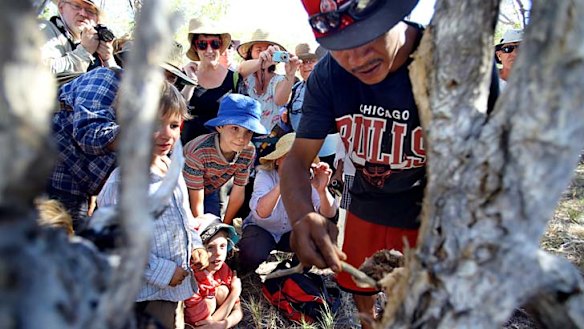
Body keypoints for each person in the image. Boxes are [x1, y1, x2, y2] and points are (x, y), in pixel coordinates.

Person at [97, 81, 208, 329]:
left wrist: (196, 246)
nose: (166, 134)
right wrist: (162, 271)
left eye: (173, 125)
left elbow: (184, 217)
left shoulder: (171, 167)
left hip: (171, 288)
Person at [238, 133, 338, 274]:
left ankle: (295, 274)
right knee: (253, 251)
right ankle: (244, 274)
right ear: (277, 160)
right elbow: (261, 213)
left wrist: (322, 190)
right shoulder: (265, 175)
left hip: (291, 232)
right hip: (262, 229)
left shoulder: (310, 179)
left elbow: (329, 214)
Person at [47, 66, 121, 229]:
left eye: (172, 78)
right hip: (52, 179)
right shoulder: (106, 79)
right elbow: (88, 134)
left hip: (80, 190)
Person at [183, 94, 268, 225]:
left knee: (218, 229)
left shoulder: (248, 151)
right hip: (181, 193)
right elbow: (196, 200)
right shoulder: (199, 152)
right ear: (219, 127)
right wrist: (202, 231)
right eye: (235, 128)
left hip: (210, 191)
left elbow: (238, 191)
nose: (241, 137)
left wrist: (225, 227)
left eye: (249, 131)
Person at [180, 18, 239, 145]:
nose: (209, 50)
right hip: (188, 151)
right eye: (202, 44)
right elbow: (177, 109)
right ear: (195, 47)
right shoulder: (184, 75)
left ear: (221, 46)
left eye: (214, 44)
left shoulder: (234, 78)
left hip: (220, 154)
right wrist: (190, 83)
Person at [184, 214, 243, 328]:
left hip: (213, 321)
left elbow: (238, 311)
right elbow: (202, 327)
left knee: (223, 291)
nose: (218, 253)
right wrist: (235, 292)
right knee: (211, 302)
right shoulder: (191, 278)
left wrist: (221, 325)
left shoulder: (222, 267)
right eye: (210, 247)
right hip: (194, 322)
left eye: (222, 246)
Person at [236, 29, 300, 133]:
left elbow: (280, 101)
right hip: (240, 136)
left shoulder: (278, 80)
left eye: (268, 50)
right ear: (250, 53)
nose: (264, 53)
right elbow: (241, 69)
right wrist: (261, 63)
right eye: (259, 50)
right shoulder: (245, 74)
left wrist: (290, 74)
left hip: (266, 139)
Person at [39, 0, 116, 74]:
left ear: (97, 19)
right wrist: (84, 51)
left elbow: (118, 82)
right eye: (77, 6)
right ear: (61, 7)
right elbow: (40, 72)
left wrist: (107, 59)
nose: (83, 14)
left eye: (90, 11)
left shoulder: (97, 41)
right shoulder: (44, 28)